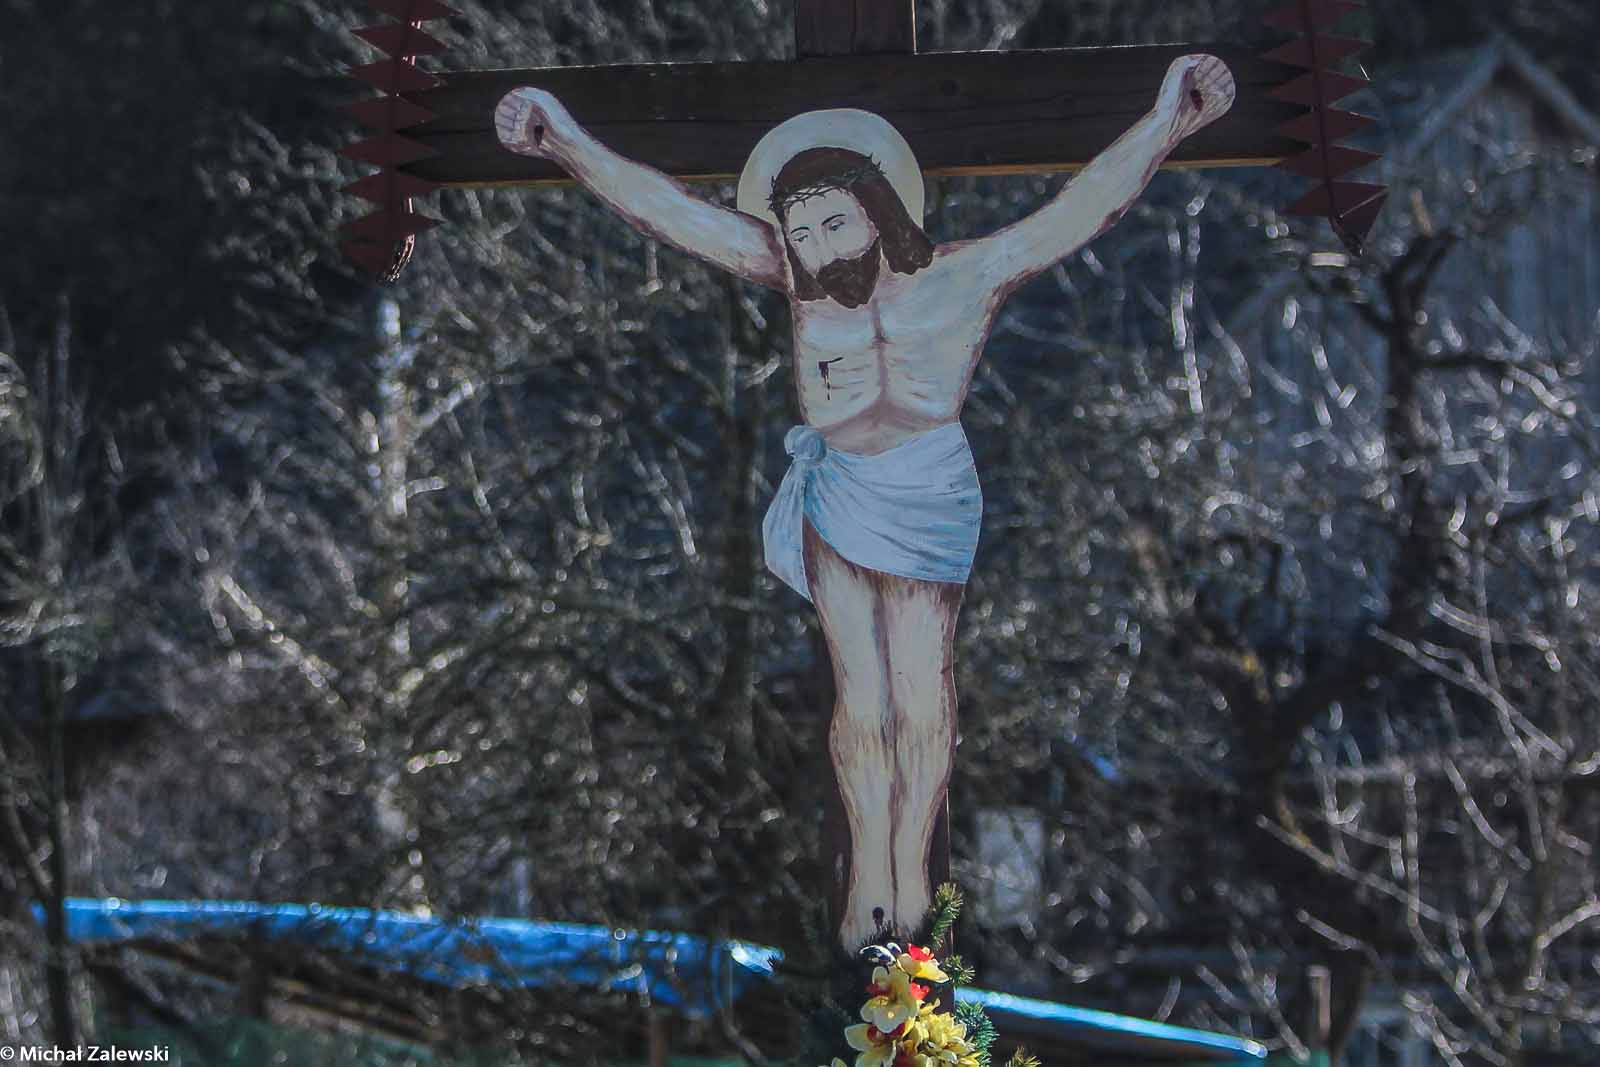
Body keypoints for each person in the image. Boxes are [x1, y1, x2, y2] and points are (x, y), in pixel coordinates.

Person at [495, 55, 1235, 948]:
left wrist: (1169, 119)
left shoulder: (966, 275)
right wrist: (565, 140)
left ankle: (909, 872)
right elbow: (675, 215)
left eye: (835, 222)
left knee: (920, 694)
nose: (818, 246)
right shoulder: (794, 280)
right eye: (802, 231)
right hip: (840, 489)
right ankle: (867, 887)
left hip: (927, 486)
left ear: (879, 211)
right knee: (859, 701)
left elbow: (1078, 210)